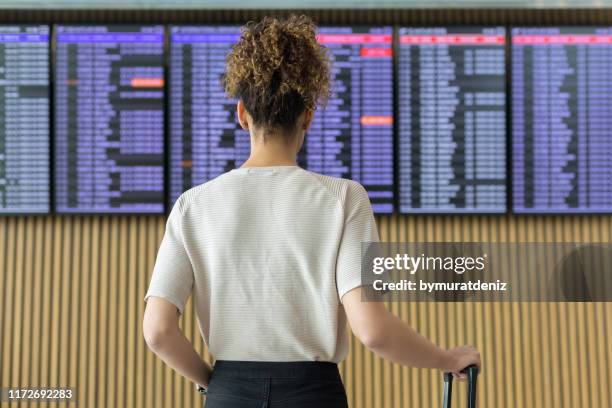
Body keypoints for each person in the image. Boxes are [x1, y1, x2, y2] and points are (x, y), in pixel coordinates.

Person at [142, 15, 481, 408]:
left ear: (242, 114)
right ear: (308, 115)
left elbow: (158, 332)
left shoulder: (193, 206)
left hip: (228, 392)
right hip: (313, 395)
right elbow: (372, 331)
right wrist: (448, 359)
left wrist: (215, 384)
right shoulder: (345, 198)